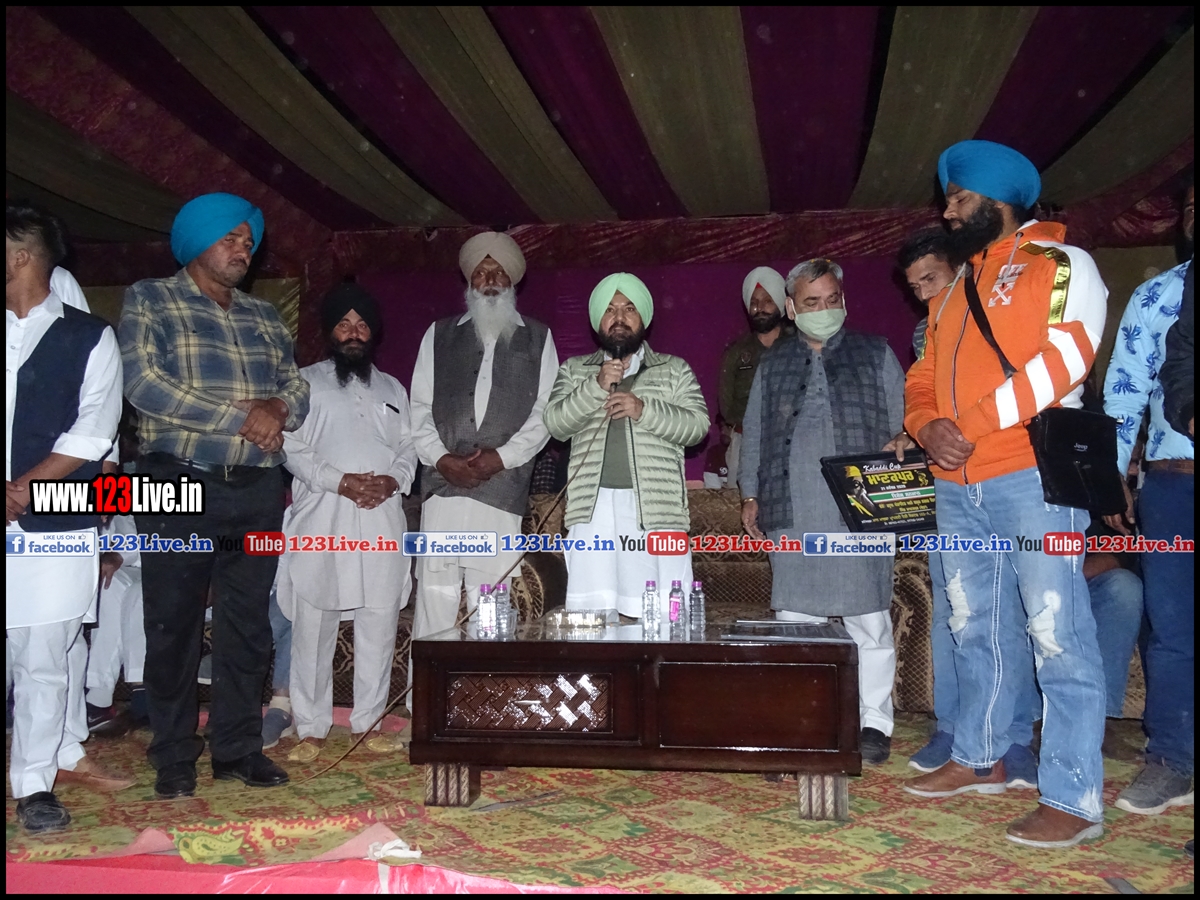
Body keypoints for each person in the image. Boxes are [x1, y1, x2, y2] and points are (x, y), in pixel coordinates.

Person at [902, 140, 1109, 849]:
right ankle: (979, 756)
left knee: (1057, 632)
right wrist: (927, 426)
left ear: (999, 199)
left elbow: (1067, 357)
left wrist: (968, 425)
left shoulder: (1061, 263)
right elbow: (922, 375)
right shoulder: (956, 287)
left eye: (959, 199)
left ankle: (1074, 797)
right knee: (973, 626)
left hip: (1032, 477)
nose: (948, 212)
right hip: (957, 483)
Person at [120, 192, 310, 800]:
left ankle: (236, 749)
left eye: (248, 240)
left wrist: (276, 407)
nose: (242, 248)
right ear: (194, 241)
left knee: (247, 624)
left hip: (257, 488)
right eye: (229, 237)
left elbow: (297, 387)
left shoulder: (265, 315)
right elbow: (144, 384)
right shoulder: (151, 298)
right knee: (172, 622)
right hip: (172, 480)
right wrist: (244, 417)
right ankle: (174, 754)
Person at [739, 258, 911, 765]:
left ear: (844, 301)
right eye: (811, 302)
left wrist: (906, 439)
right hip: (793, 506)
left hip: (862, 508)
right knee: (795, 619)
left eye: (831, 300)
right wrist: (750, 494)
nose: (823, 309)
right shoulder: (773, 364)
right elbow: (755, 434)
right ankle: (805, 716)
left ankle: (873, 722)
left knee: (869, 619)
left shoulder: (875, 352)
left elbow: (908, 418)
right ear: (792, 309)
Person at [6, 202, 131, 834]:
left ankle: (33, 785)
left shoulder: (90, 336)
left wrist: (23, 489)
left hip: (52, 523)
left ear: (21, 256)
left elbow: (94, 430)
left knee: (44, 658)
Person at [897, 228, 1040, 779]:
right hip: (952, 487)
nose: (923, 294)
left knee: (1018, 614)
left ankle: (1015, 737)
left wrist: (965, 427)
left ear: (962, 268)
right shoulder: (926, 329)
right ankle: (956, 731)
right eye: (914, 287)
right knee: (956, 614)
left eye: (931, 279)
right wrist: (916, 429)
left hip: (1016, 474)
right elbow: (923, 396)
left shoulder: (1007, 308)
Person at [281, 284, 417, 763]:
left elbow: (410, 446)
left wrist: (393, 480)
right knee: (313, 624)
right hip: (323, 516)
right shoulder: (303, 383)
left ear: (373, 333)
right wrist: (339, 481)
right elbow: (289, 446)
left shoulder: (393, 388)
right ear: (330, 332)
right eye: (344, 324)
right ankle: (311, 728)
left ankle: (370, 723)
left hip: (381, 516)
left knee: (379, 618)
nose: (353, 333)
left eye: (361, 325)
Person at [409, 233, 558, 648]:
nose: (490, 280)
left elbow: (546, 411)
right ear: (469, 281)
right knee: (435, 599)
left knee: (490, 603)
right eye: (481, 272)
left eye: (498, 272)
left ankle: (483, 689)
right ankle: (427, 688)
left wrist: (503, 457)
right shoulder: (438, 334)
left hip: (500, 489)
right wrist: (441, 459)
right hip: (443, 489)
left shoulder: (538, 337)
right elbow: (417, 407)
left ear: (512, 280)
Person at [1103, 182, 1194, 818]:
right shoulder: (1159, 295)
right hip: (1173, 484)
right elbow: (1124, 390)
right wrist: (1113, 477)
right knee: (1173, 630)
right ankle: (1173, 759)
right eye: (1189, 207)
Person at [544, 273, 709, 617]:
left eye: (629, 308)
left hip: (657, 509)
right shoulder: (575, 370)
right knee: (593, 618)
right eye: (610, 309)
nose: (619, 317)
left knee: (663, 616)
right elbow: (556, 425)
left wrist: (644, 410)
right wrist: (594, 386)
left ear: (643, 319)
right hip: (592, 511)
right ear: (598, 321)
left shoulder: (674, 369)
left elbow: (698, 427)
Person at [86, 403, 148, 736]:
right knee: (109, 586)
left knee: (140, 592)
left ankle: (143, 693)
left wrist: (118, 555)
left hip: (170, 564)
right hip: (130, 563)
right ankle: (97, 699)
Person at [719, 267, 790, 488]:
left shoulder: (798, 347)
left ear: (781, 303)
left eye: (768, 301)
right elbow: (726, 404)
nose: (760, 308)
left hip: (791, 440)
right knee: (740, 501)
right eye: (754, 303)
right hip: (745, 441)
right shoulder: (737, 352)